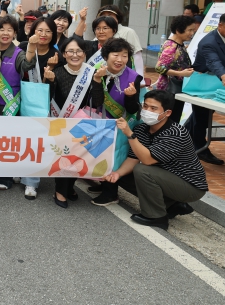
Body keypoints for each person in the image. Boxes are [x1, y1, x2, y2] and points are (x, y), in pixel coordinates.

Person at [105, 90, 208, 231]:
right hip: (167, 177)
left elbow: (147, 160)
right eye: (145, 106)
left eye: (154, 108)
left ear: (167, 113)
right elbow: (133, 158)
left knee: (142, 171)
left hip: (190, 185)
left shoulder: (176, 133)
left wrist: (129, 134)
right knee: (122, 173)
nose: (147, 111)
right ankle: (172, 204)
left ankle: (157, 217)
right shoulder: (142, 129)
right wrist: (117, 174)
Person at [89, 38, 143, 206]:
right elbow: (96, 102)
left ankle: (110, 193)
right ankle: (103, 183)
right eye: (116, 55)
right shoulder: (97, 70)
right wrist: (97, 80)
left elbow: (133, 109)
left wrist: (130, 97)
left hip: (121, 123)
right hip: (101, 120)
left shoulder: (133, 77)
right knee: (100, 154)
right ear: (106, 56)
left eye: (124, 55)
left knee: (114, 157)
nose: (120, 59)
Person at [43, 37, 96, 208]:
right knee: (64, 155)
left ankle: (70, 186)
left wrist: (97, 82)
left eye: (79, 51)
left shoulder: (92, 73)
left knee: (77, 156)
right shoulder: (57, 72)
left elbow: (98, 101)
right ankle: (60, 191)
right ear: (64, 54)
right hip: (60, 121)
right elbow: (47, 98)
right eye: (70, 51)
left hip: (83, 121)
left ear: (85, 53)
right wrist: (50, 81)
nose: (75, 55)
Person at [0, 15, 32, 194]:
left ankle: (4, 176)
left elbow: (26, 65)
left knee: (7, 141)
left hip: (9, 105)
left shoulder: (18, 53)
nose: (5, 33)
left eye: (9, 30)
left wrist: (31, 47)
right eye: (1, 29)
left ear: (15, 33)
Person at [186, 12, 225, 165]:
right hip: (202, 85)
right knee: (201, 117)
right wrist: (223, 75)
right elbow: (214, 62)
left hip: (216, 84)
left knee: (200, 116)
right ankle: (200, 149)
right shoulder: (208, 42)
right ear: (220, 25)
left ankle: (184, 138)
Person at [154, 15, 197, 124]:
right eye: (189, 30)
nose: (192, 33)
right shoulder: (171, 47)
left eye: (193, 30)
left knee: (172, 121)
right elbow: (159, 67)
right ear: (178, 30)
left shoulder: (178, 45)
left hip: (174, 90)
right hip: (169, 91)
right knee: (170, 122)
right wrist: (181, 73)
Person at [97, 5, 144, 77]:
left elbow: (137, 55)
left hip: (124, 73)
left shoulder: (128, 32)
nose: (106, 18)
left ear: (117, 18)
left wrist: (140, 77)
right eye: (103, 16)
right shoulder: (100, 33)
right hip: (104, 74)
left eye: (110, 15)